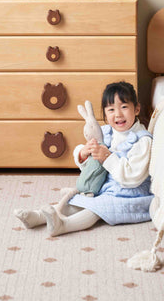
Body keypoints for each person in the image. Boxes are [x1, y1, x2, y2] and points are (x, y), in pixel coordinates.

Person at [14, 81, 153, 237]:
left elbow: (133, 178)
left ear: (137, 109)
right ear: (105, 115)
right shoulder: (107, 133)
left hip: (130, 194)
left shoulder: (142, 141)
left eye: (124, 107)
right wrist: (83, 154)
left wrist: (107, 158)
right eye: (111, 109)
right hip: (105, 188)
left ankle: (64, 225)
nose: (118, 114)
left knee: (96, 208)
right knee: (78, 200)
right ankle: (38, 216)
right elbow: (92, 169)